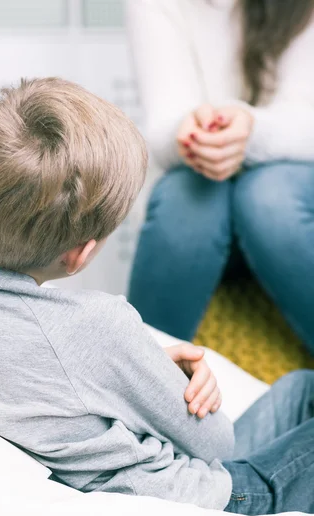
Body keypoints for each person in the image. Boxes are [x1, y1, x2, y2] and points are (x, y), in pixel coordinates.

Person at [0, 78, 313, 515]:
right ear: (79, 254)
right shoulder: (94, 326)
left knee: (301, 388)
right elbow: (215, 443)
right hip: (221, 499)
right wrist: (180, 383)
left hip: (125, 465)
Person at [127, 0, 314, 352]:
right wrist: (192, 136)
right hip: (205, 209)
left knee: (268, 195)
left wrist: (251, 132)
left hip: (288, 207)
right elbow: (164, 123)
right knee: (188, 200)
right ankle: (140, 378)